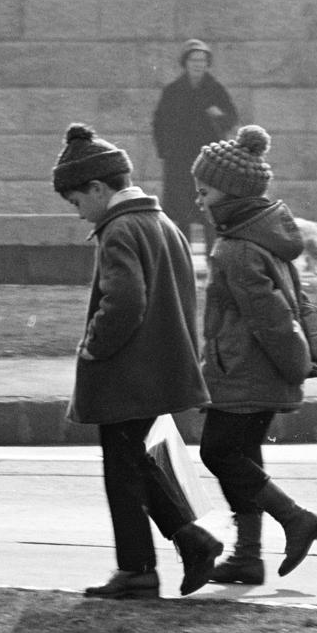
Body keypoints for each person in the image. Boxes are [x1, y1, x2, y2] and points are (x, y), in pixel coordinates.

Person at [53, 122, 223, 600]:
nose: (80, 213)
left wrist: (94, 344)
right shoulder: (160, 222)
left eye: (77, 201)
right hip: (160, 367)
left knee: (121, 470)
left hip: (129, 372)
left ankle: (138, 569)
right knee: (133, 463)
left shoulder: (119, 229)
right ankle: (191, 543)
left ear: (98, 187)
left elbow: (125, 301)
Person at [192, 125, 317, 585]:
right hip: (257, 373)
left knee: (218, 453)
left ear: (230, 194)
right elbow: (300, 301)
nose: (199, 199)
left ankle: (295, 520)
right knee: (243, 457)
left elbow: (273, 318)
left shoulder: (235, 249)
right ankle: (248, 556)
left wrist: (299, 363)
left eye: (205, 190)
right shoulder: (267, 237)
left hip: (244, 375)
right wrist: (314, 353)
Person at [152, 39, 239, 254]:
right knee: (181, 211)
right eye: (193, 60)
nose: (198, 64)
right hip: (180, 162)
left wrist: (219, 115)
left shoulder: (215, 89)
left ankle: (214, 258)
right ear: (185, 62)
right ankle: (182, 258)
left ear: (207, 64)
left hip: (207, 162)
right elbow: (159, 122)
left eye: (202, 60)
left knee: (209, 209)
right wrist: (165, 151)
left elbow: (232, 118)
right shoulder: (173, 91)